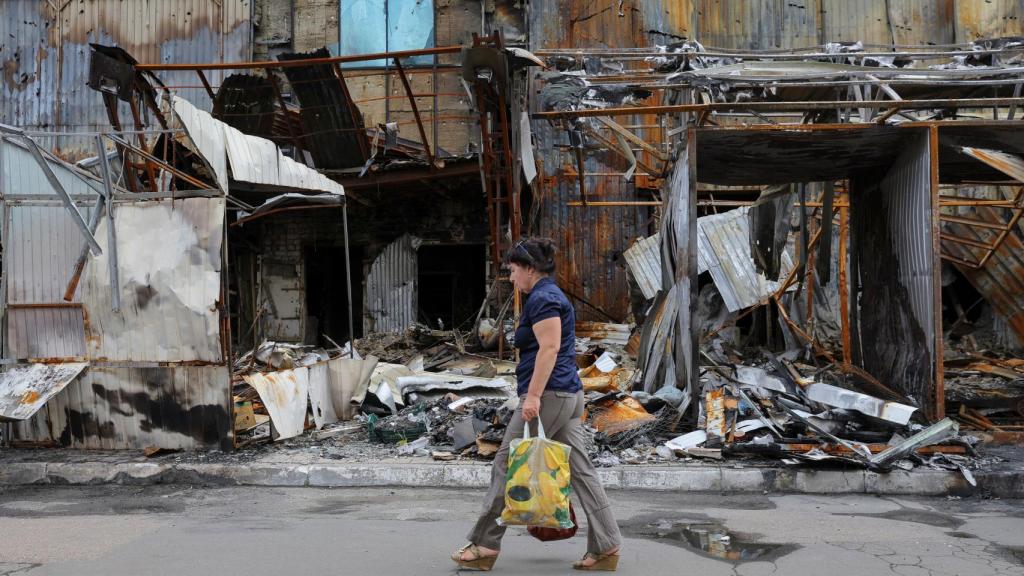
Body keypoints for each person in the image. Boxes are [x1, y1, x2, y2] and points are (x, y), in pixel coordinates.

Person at [451, 237, 622, 572]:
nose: (512, 278)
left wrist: (531, 396)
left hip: (549, 395)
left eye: (513, 271)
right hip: (567, 395)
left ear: (530, 269)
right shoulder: (546, 296)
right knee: (582, 471)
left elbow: (550, 349)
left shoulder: (543, 298)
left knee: (505, 463)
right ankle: (607, 545)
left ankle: (485, 545)